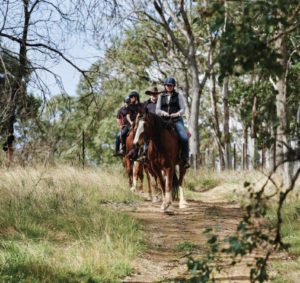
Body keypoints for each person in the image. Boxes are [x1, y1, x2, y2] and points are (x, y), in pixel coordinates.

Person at [156, 77, 190, 169]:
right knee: (151, 134)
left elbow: (183, 108)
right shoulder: (161, 96)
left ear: (173, 86)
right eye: (167, 85)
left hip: (176, 120)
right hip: (163, 120)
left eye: (171, 85)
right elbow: (157, 110)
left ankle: (185, 158)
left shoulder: (178, 95)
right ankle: (149, 156)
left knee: (184, 138)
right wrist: (163, 113)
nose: (169, 87)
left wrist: (177, 113)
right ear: (165, 86)